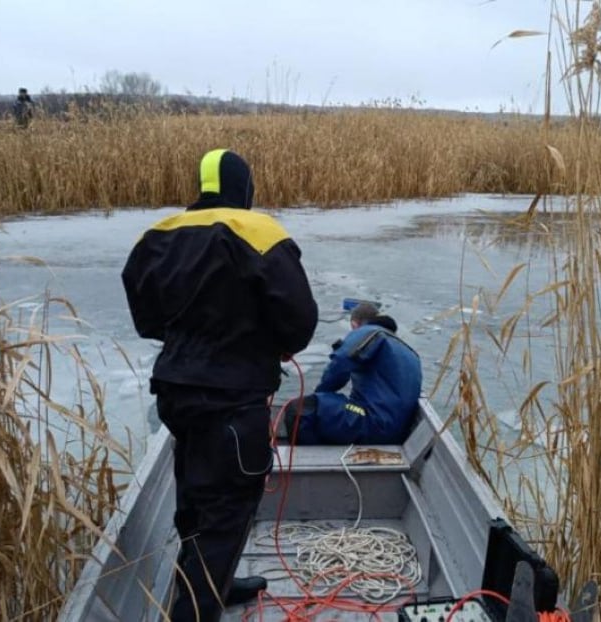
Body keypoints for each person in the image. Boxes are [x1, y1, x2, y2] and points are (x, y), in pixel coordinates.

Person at [122, 148, 318, 621]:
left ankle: (217, 585)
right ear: (244, 188)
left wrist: (191, 341)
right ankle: (196, 610)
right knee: (227, 510)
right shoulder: (260, 232)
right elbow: (299, 323)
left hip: (176, 392)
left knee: (193, 496)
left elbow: (145, 317)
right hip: (232, 401)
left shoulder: (158, 235)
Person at [285, 302, 422, 445]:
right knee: (327, 407)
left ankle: (309, 460)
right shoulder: (406, 350)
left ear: (355, 324)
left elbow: (341, 361)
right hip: (396, 429)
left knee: (301, 410)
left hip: (374, 423)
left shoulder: (370, 333)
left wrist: (319, 396)